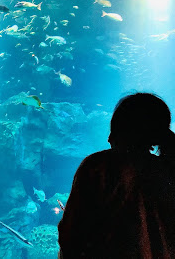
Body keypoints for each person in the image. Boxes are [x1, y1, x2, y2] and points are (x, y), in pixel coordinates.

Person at [58, 93, 175, 258]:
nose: (108, 138)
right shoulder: (167, 169)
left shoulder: (97, 167)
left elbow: (71, 232)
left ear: (120, 129)